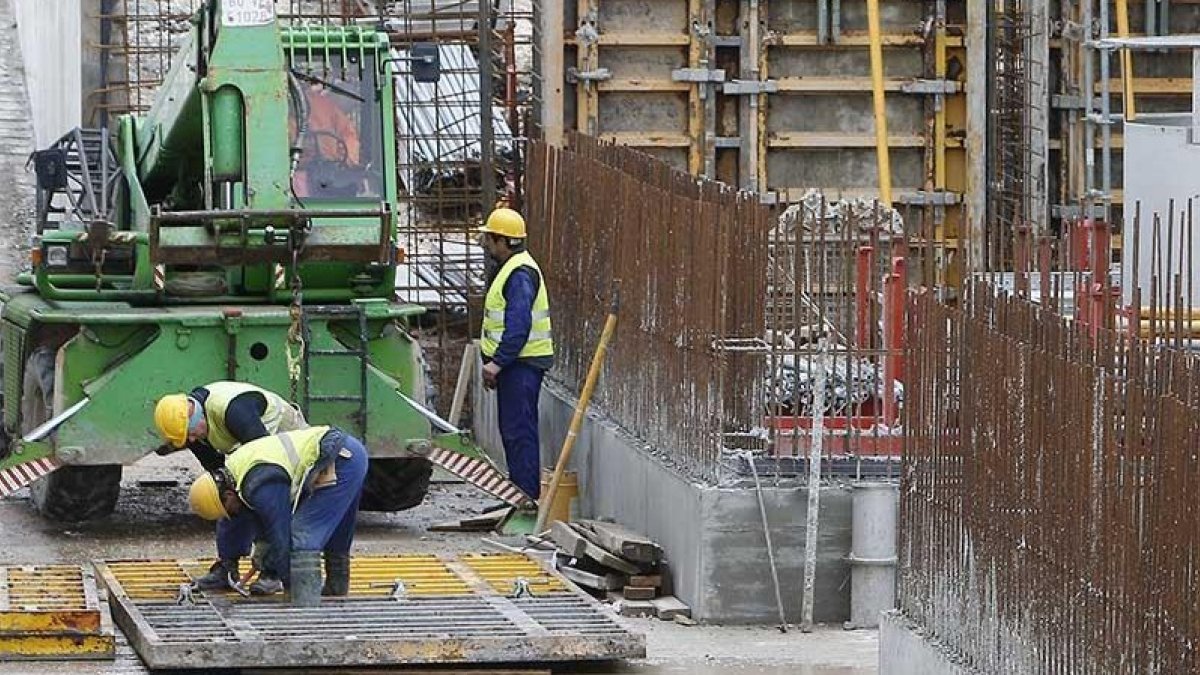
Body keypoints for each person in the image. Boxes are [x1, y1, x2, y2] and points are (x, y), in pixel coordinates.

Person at [186, 425, 368, 605]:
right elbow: (264, 518)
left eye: (228, 510)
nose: (233, 514)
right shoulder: (236, 471)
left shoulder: (259, 482)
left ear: (228, 495)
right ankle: (336, 594)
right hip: (346, 453)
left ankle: (305, 607)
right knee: (336, 537)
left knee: (300, 540)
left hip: (340, 459)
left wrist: (289, 585)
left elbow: (281, 534)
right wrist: (265, 550)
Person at [153, 381, 308, 589]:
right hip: (255, 449)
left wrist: (263, 548)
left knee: (264, 500)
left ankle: (272, 571)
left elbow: (262, 467)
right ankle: (227, 567)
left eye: (191, 434)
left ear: (193, 415)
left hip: (287, 446)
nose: (192, 440)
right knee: (227, 494)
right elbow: (221, 479)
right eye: (187, 438)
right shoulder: (191, 428)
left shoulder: (235, 411)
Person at [475, 207, 554, 500]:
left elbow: (518, 327)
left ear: (503, 241)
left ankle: (525, 499)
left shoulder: (518, 274)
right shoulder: (513, 268)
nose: (486, 245)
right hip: (516, 365)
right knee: (514, 432)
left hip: (521, 365)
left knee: (519, 433)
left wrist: (496, 364)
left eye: (490, 239)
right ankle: (518, 497)